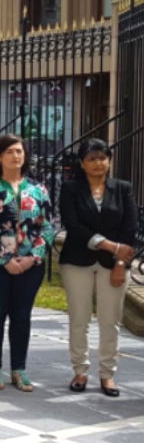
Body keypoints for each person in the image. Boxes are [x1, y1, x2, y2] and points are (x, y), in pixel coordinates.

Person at [0, 134, 55, 392]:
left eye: (19, 151)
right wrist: (5, 259)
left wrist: (33, 257)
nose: (15, 156)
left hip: (30, 263)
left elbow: (49, 226)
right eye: (9, 152)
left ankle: (19, 369)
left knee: (21, 315)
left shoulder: (38, 189)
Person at [58, 139, 137, 397]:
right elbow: (73, 224)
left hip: (114, 266)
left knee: (109, 321)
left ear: (109, 160)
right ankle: (80, 371)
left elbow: (130, 228)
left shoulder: (123, 189)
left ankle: (107, 374)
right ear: (82, 163)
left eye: (102, 157)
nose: (98, 163)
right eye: (91, 158)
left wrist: (120, 262)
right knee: (79, 319)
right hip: (77, 261)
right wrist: (112, 246)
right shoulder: (70, 189)